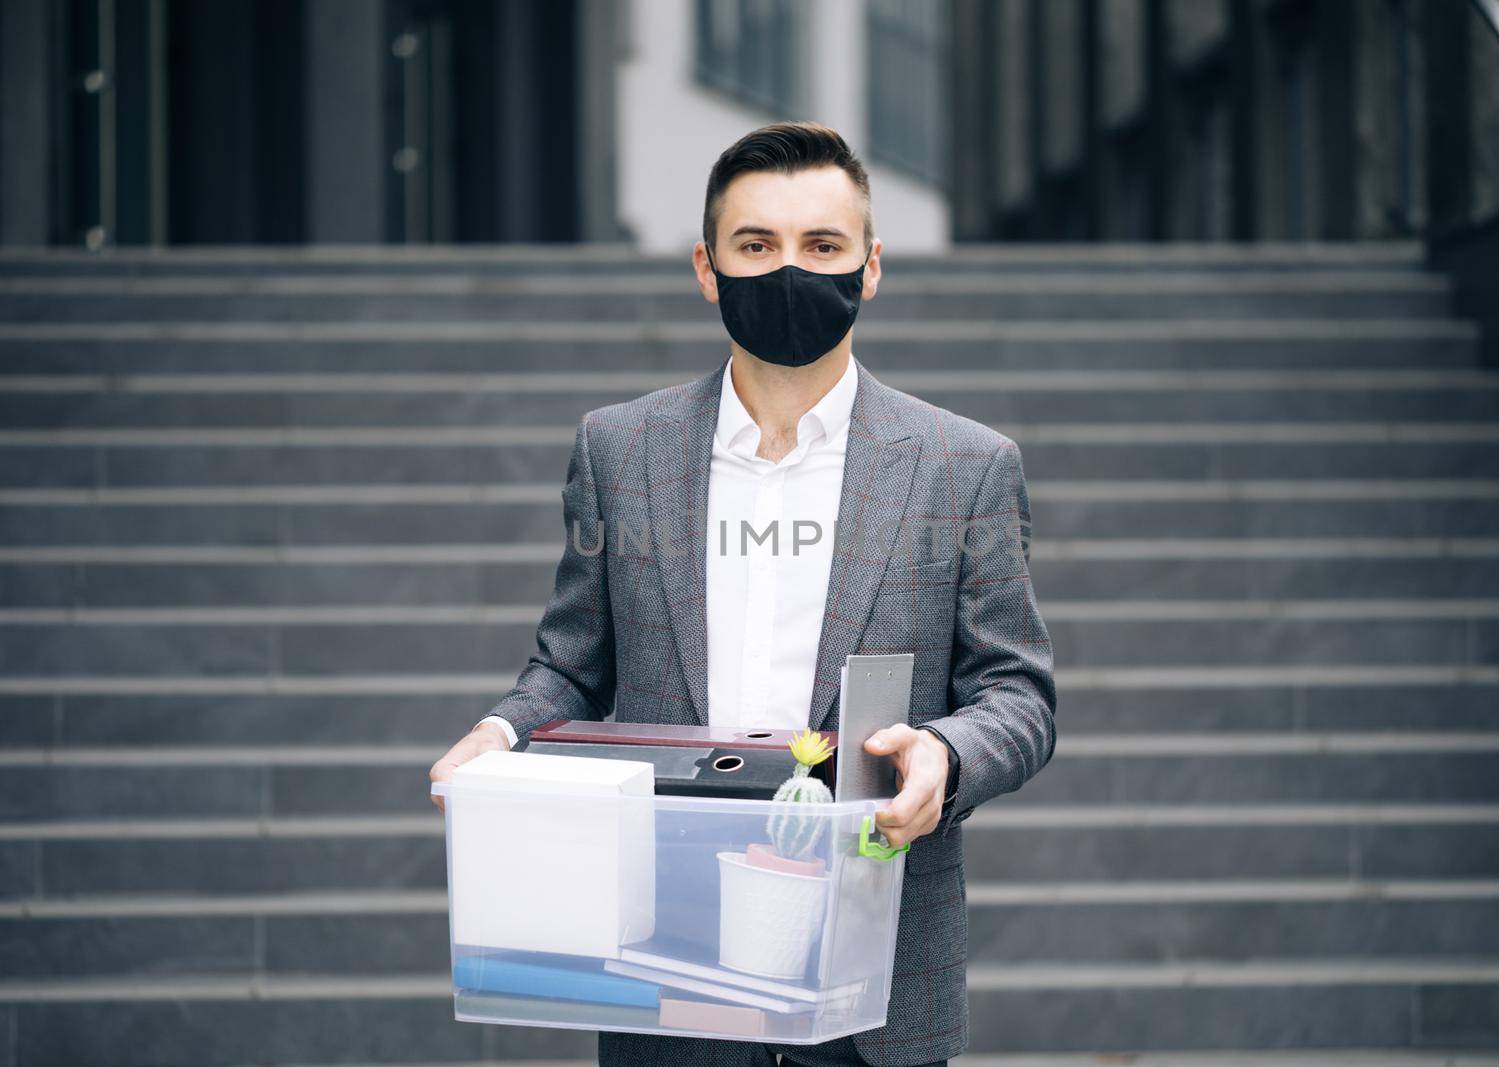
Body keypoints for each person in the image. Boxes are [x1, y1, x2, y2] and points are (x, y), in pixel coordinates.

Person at [429, 120, 1057, 1067]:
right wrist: (505, 731)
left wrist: (944, 754)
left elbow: (1018, 692)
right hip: (666, 961)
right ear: (707, 266)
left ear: (871, 266)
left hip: (876, 974)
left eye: (823, 246)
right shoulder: (619, 450)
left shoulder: (963, 467)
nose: (789, 270)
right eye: (757, 245)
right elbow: (570, 664)